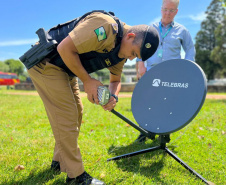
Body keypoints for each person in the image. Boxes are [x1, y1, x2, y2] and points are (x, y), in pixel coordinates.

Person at [22, 10, 159, 185]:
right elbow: (64, 48)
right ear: (130, 36)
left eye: (135, 57)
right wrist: (87, 80)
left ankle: (59, 162)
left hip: (64, 68)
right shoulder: (105, 26)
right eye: (133, 53)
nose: (131, 59)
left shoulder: (122, 52)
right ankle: (76, 177)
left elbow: (115, 80)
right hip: (45, 62)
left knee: (77, 113)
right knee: (67, 115)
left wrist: (113, 97)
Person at [135, 0, 195, 143]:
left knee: (168, 103)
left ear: (177, 11)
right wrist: (140, 65)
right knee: (148, 102)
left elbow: (190, 49)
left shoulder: (183, 30)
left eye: (171, 10)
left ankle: (165, 132)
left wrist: (188, 68)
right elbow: (140, 47)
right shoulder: (151, 28)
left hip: (172, 73)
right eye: (165, 9)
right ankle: (144, 132)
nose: (167, 13)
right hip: (152, 71)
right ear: (161, 9)